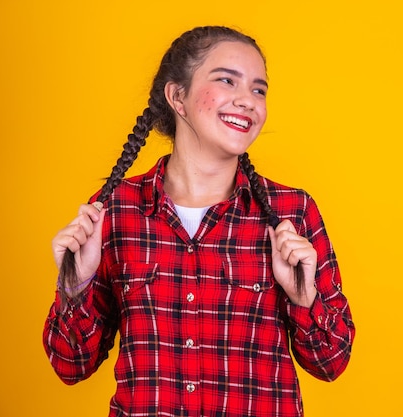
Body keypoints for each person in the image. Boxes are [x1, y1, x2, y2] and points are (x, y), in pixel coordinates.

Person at [43, 25, 355, 417]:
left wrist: (303, 298)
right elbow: (70, 365)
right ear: (178, 97)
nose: (248, 101)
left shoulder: (292, 211)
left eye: (259, 89)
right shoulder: (114, 211)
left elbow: (331, 363)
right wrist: (76, 284)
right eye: (228, 81)